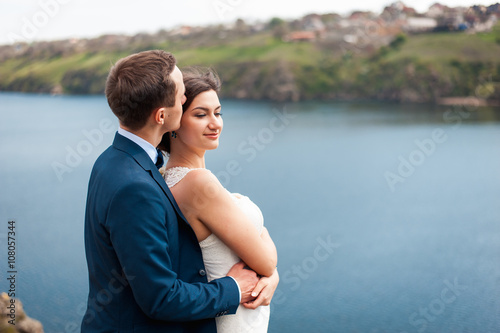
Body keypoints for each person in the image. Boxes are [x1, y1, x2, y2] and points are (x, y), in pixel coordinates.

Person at [81, 50, 261, 333]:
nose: (184, 99)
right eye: (181, 95)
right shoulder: (135, 188)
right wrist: (234, 288)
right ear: (162, 115)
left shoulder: (112, 159)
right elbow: (161, 298)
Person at [159, 67, 279, 332]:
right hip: (233, 319)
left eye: (218, 112)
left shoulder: (166, 176)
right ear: (175, 121)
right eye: (201, 114)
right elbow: (266, 263)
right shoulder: (197, 184)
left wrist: (270, 273)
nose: (215, 123)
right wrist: (268, 245)